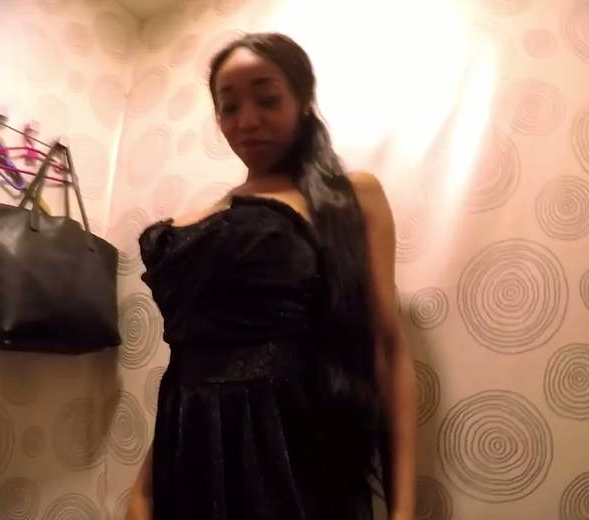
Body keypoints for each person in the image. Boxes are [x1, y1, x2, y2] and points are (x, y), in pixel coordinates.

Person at [127, 32, 417, 520]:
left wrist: (404, 510)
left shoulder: (349, 196)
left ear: (302, 101)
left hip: (297, 458)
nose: (247, 121)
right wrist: (144, 491)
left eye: (267, 99)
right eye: (229, 106)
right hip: (188, 462)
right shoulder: (198, 220)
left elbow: (387, 349)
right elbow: (191, 370)